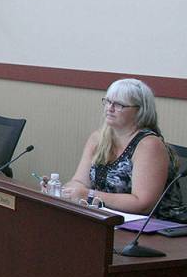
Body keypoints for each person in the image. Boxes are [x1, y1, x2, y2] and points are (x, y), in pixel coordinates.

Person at [62, 78, 185, 219]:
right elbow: (79, 182)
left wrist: (89, 195)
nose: (110, 108)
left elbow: (143, 204)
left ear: (140, 111)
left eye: (119, 104)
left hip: (156, 229)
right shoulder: (97, 138)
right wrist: (61, 189)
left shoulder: (149, 145)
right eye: (108, 101)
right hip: (108, 220)